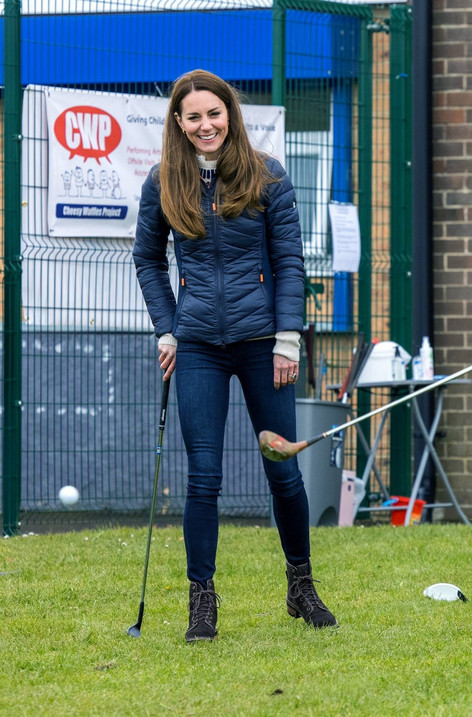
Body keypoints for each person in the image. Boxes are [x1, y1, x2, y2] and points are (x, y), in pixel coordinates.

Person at [133, 69, 337, 642]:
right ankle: (203, 602)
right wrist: (167, 330)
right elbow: (147, 259)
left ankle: (302, 587)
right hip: (196, 345)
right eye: (193, 116)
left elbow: (291, 263)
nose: (206, 125)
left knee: (284, 471)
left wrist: (287, 339)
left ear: (231, 115)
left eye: (214, 114)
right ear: (179, 122)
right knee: (203, 477)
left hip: (261, 344)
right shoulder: (161, 182)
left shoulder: (268, 174)